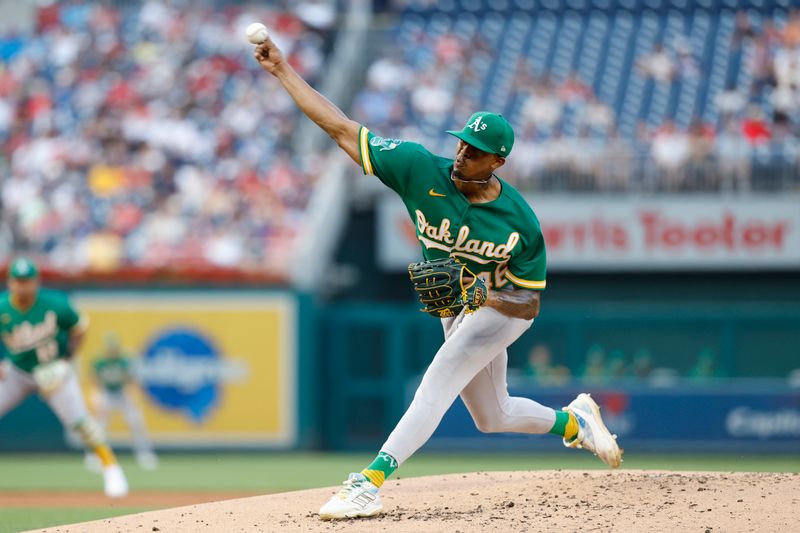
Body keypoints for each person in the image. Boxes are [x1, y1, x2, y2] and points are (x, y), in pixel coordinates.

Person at [252, 35, 622, 521]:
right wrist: (282, 71)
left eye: (476, 151)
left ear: (498, 163)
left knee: (437, 382)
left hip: (500, 310)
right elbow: (340, 128)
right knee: (493, 416)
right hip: (456, 308)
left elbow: (529, 303)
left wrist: (485, 294)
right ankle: (574, 422)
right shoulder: (417, 167)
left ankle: (369, 482)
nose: (463, 154)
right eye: (463, 143)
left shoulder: (520, 223)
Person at [0, 257, 128, 497]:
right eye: (18, 281)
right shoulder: (3, 307)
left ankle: (111, 468)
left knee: (81, 422)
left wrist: (67, 358)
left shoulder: (56, 304)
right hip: (17, 372)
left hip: (53, 372)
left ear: (36, 282)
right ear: (10, 283)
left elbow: (80, 327)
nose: (22, 286)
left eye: (27, 281)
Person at [87, 332, 158, 471]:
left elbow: (130, 380)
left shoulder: (123, 361)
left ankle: (144, 455)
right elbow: (94, 381)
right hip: (106, 393)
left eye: (114, 347)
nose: (112, 350)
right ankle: (95, 457)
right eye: (110, 348)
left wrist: (131, 396)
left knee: (136, 422)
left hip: (121, 393)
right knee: (99, 427)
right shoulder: (100, 362)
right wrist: (96, 397)